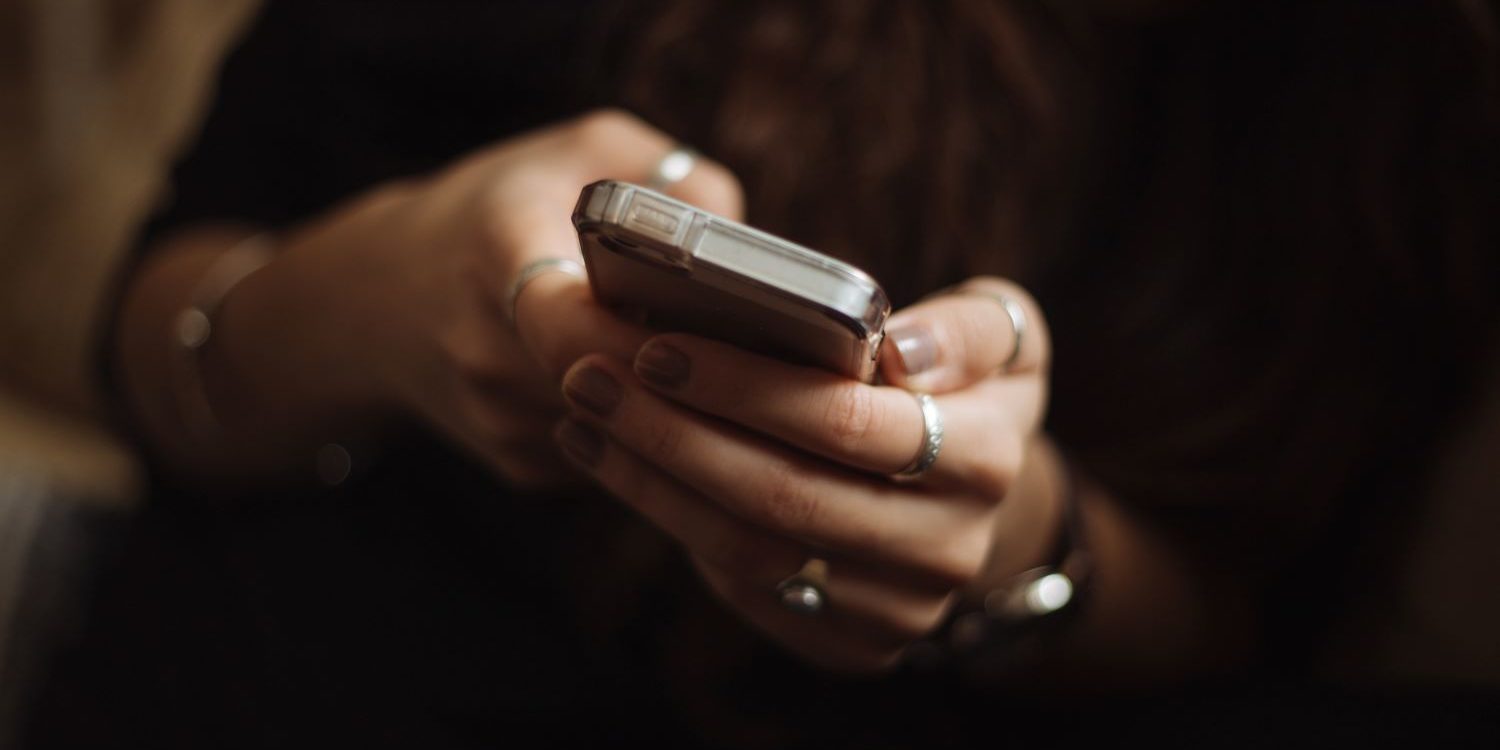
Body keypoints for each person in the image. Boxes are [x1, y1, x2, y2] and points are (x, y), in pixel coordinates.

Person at [30, 0, 1500, 746]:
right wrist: (393, 289)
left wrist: (1018, 546)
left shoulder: (1389, 83)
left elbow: (1264, 631)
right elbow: (149, 356)